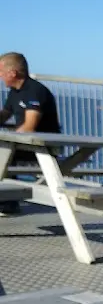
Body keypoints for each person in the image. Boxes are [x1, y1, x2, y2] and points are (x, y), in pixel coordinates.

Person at [0, 52, 61, 215]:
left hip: (42, 147)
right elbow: (4, 115)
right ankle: (7, 200)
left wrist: (6, 140)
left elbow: (29, 127)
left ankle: (9, 202)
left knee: (3, 152)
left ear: (12, 73)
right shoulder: (15, 92)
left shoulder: (35, 91)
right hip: (24, 145)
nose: (0, 76)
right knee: (4, 152)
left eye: (1, 72)